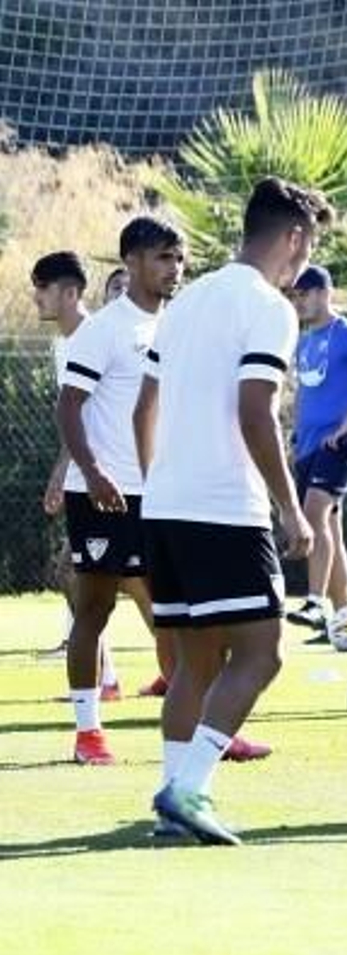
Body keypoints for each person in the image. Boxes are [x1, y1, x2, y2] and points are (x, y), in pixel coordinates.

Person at [138, 176, 331, 845]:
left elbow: (145, 408)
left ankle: (171, 802)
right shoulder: (268, 307)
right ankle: (187, 788)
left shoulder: (186, 301)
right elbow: (256, 411)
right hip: (225, 508)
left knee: (195, 663)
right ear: (295, 239)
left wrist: (156, 484)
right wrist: (292, 507)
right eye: (310, 247)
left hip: (165, 505)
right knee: (261, 653)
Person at [53, 223, 186, 763]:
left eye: (180, 258)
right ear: (131, 261)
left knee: (177, 612)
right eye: (163, 258)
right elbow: (68, 406)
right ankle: (88, 734)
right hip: (102, 493)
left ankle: (201, 729)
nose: (174, 268)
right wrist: (95, 471)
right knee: (96, 610)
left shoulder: (177, 326)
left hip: (161, 493)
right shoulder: (104, 330)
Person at [283, 265, 347, 643]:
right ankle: (342, 623)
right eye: (294, 296)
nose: (298, 302)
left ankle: (314, 603)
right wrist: (296, 439)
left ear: (324, 293)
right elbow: (308, 394)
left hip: (341, 441)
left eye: (304, 294)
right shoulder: (305, 340)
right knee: (331, 530)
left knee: (313, 514)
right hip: (310, 445)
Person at [33, 252, 119, 694]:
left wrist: (70, 472)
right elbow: (73, 415)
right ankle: (108, 678)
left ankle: (198, 693)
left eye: (42, 288)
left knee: (144, 594)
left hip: (120, 481)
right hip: (92, 480)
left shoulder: (96, 336)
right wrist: (62, 473)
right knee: (76, 577)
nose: (36, 297)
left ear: (70, 292)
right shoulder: (63, 342)